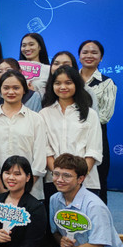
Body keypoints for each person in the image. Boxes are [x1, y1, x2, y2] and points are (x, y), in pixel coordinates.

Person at [40, 65, 102, 201]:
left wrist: (77, 177)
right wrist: (60, 177)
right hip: (54, 181)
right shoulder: (44, 114)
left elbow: (93, 150)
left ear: (77, 85)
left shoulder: (90, 114)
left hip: (85, 181)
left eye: (68, 83)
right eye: (58, 83)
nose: (63, 87)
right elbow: (46, 150)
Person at [0, 70, 47, 199]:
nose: (11, 92)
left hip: (31, 191)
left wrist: (26, 187)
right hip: (0, 190)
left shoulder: (36, 119)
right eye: (6, 88)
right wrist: (1, 188)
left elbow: (40, 156)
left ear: (24, 90)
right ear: (0, 90)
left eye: (16, 88)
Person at [79, 39, 117, 204]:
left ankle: (99, 217)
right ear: (79, 56)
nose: (89, 55)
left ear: (101, 57)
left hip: (96, 137)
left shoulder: (107, 82)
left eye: (94, 52)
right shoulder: (70, 79)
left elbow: (105, 116)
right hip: (69, 135)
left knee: (98, 181)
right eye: (85, 52)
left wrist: (79, 122)